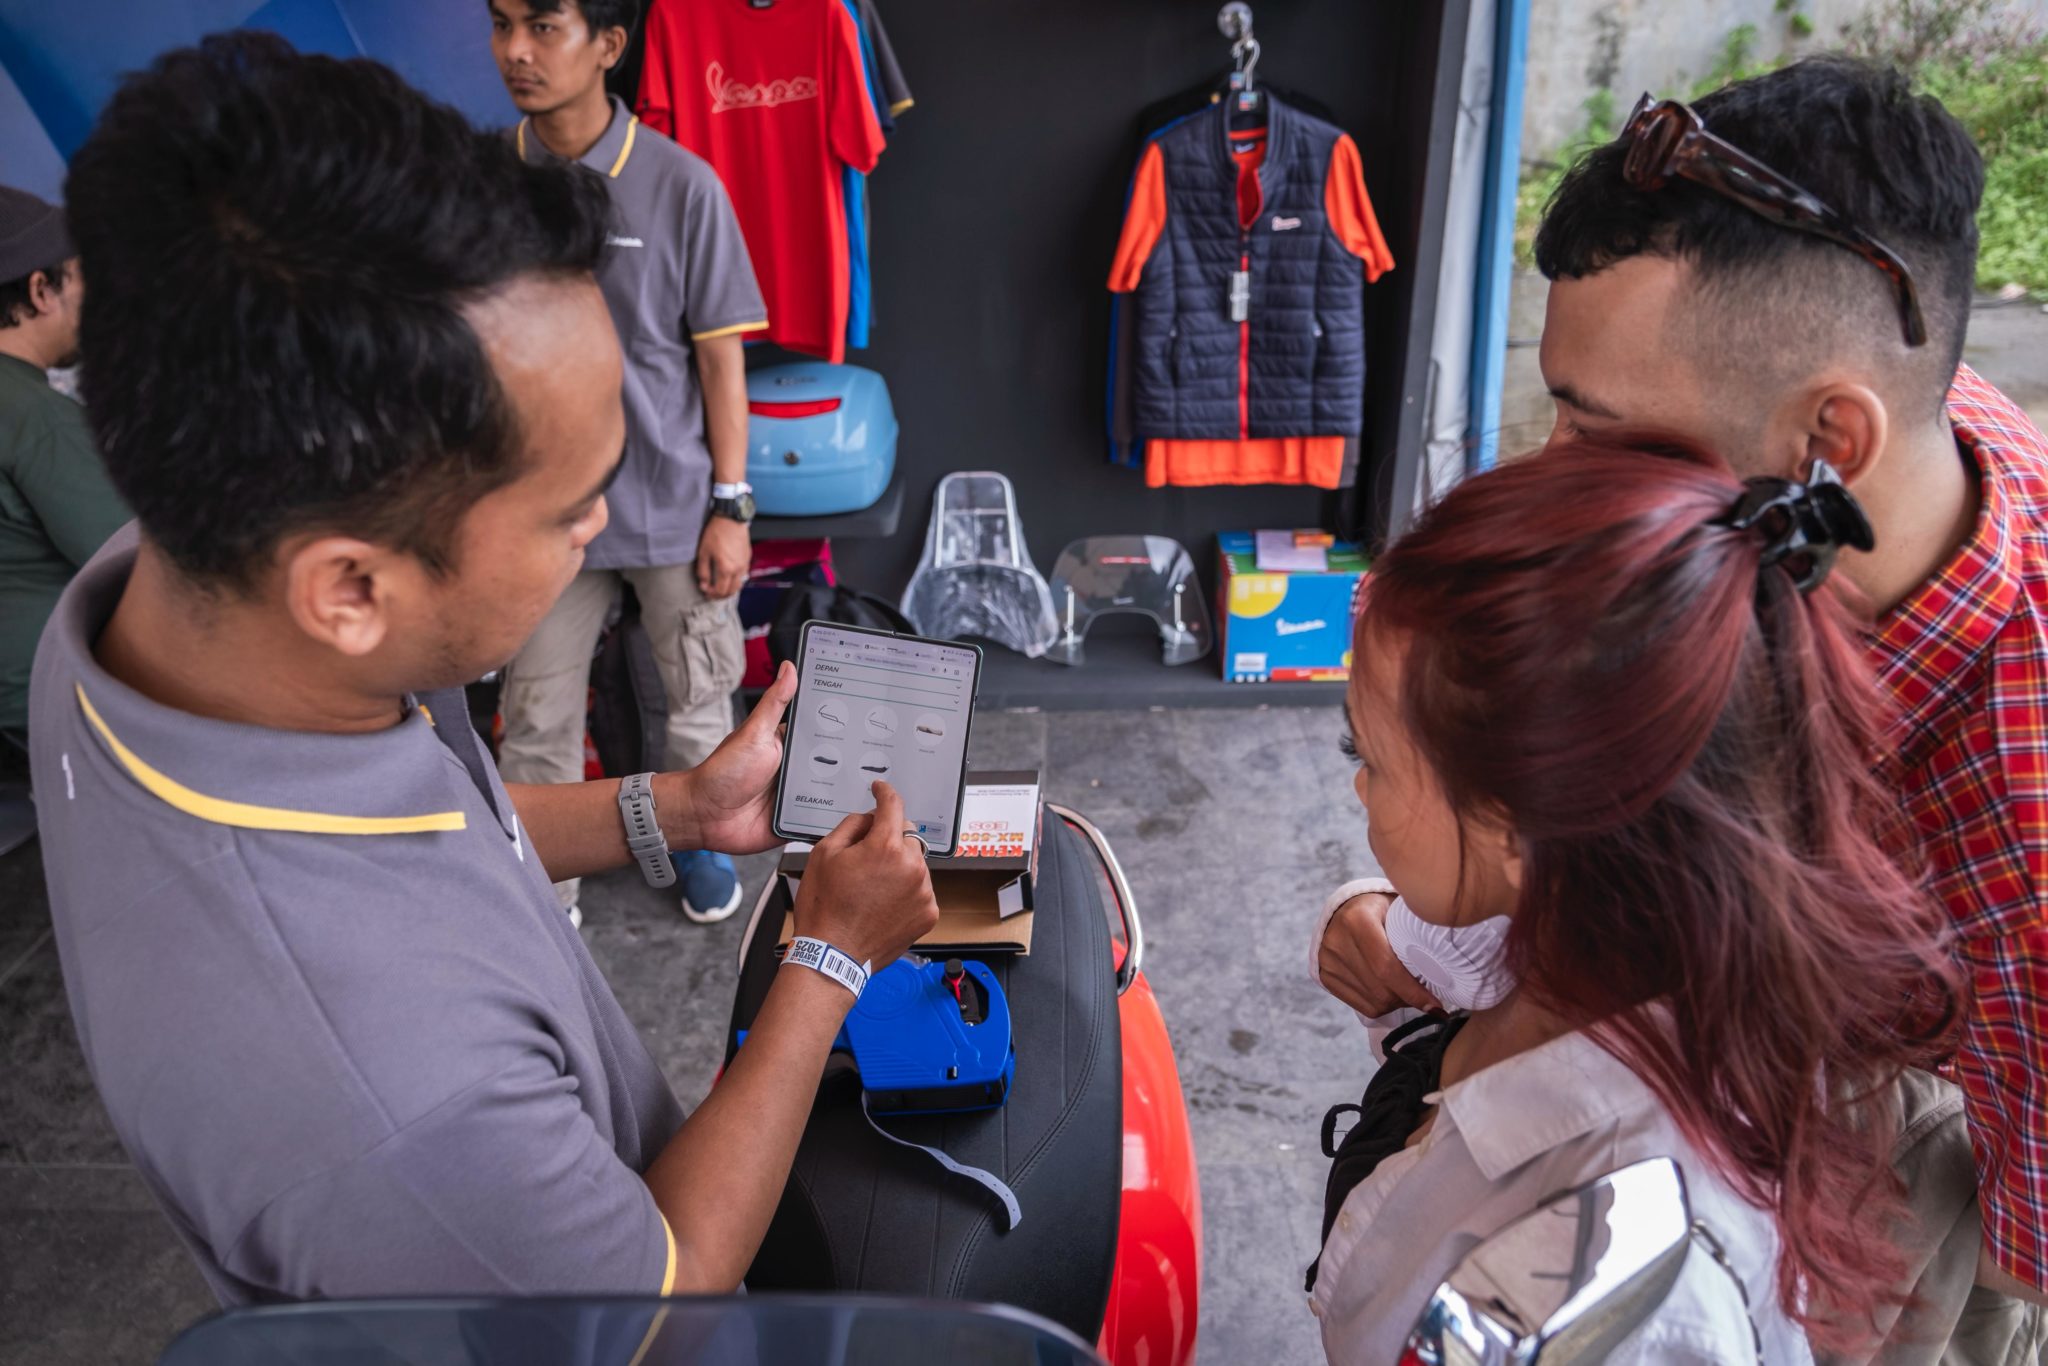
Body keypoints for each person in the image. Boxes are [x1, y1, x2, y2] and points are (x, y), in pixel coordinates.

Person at [30, 33, 938, 1305]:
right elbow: (658, 1297)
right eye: (569, 511)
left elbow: (424, 831)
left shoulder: (153, 594)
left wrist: (675, 808)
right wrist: (830, 956)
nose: (601, 530)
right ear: (351, 589)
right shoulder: (399, 1097)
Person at [1319, 57, 2048, 1301]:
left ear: (1830, 440)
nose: (1548, 476)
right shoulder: (1842, 449)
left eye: (1599, 432)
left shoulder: (2018, 856)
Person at [1308, 436, 1972, 1362]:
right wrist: (1370, 934)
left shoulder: (1632, 1295)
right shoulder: (1585, 933)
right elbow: (1423, 951)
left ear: (1512, 826)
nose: (1358, 789)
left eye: (1370, 760)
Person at [490, 0, 766, 927]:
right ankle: (544, 889)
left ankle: (703, 842)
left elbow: (720, 362)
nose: (515, 50)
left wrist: (731, 505)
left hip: (668, 502)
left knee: (698, 697)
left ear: (609, 44)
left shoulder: (683, 185)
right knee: (535, 714)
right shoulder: (482, 184)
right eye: (501, 24)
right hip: (537, 509)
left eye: (542, 26)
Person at [0, 186, 126, 743]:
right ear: (40, 290)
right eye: (80, 276)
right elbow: (138, 565)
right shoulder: (34, 417)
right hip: (37, 719)